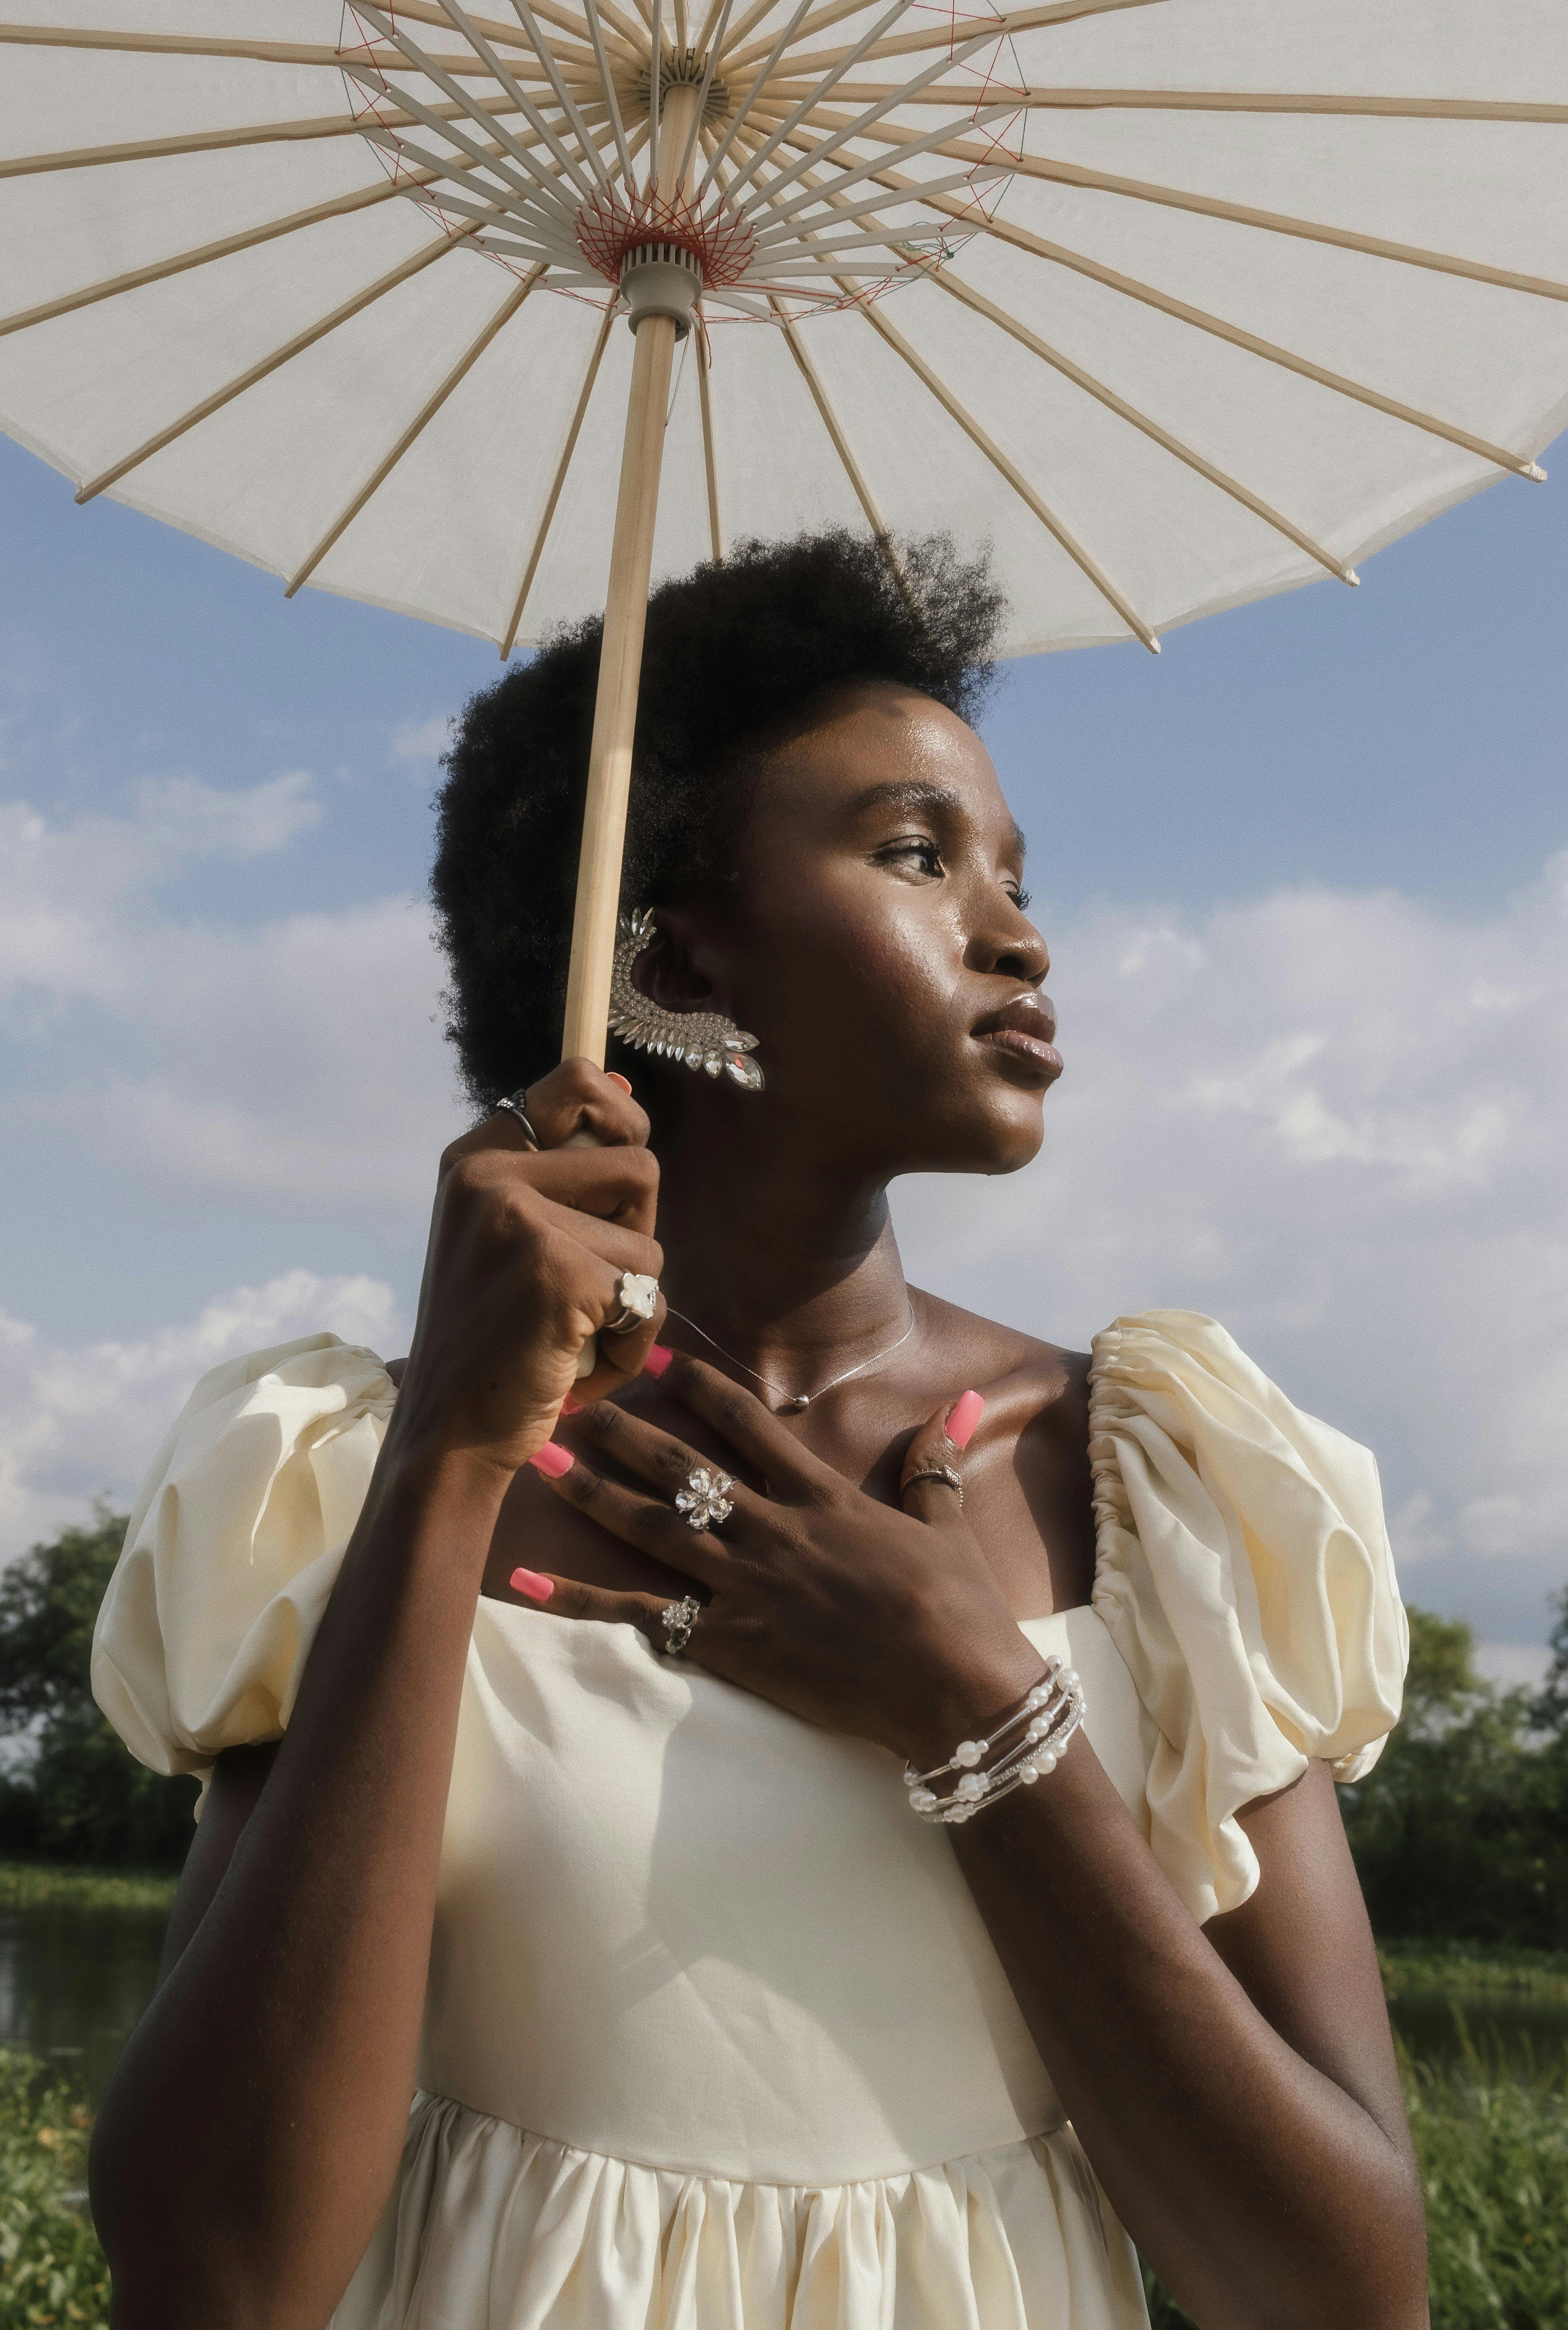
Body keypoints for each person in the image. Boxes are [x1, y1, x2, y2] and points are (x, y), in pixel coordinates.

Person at [88, 533, 1424, 2330]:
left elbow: (1346, 2294)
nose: (1018, 931)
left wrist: (979, 1710)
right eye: (913, 853)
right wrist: (446, 1470)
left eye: (1014, 871)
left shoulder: (1156, 1479)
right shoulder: (343, 1479)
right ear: (673, 961)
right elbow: (215, 2279)